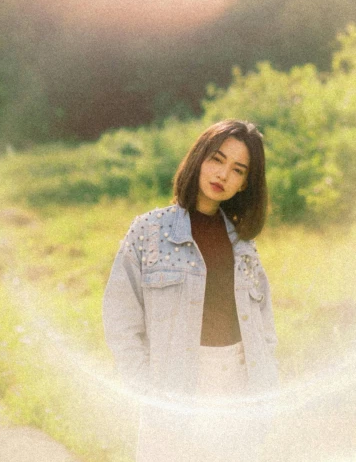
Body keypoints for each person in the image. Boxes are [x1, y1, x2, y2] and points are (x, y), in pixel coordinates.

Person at [103, 119, 278, 461]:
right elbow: (121, 319)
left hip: (237, 384)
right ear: (199, 158)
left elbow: (263, 322)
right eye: (217, 159)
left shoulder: (243, 244)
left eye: (238, 169)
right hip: (174, 384)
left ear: (244, 184)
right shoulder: (149, 230)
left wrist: (266, 386)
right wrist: (145, 387)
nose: (223, 174)